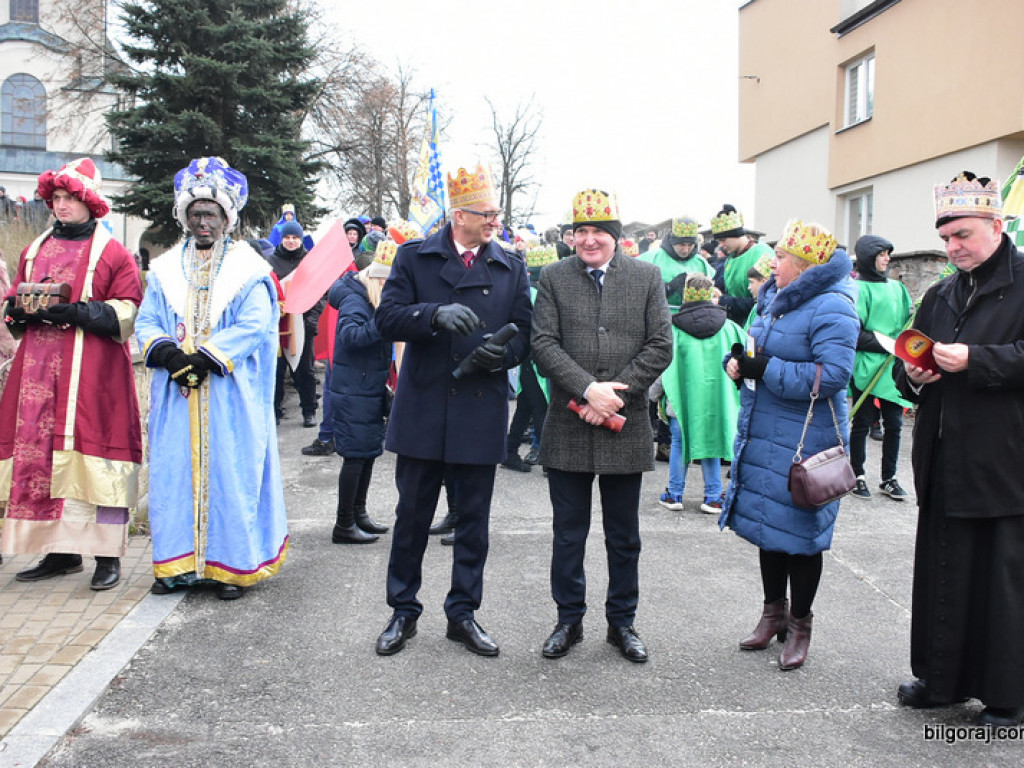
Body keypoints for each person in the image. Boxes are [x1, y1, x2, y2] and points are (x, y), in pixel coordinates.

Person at [373, 164, 531, 657]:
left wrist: (501, 355)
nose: (495, 223)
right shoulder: (414, 258)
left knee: (474, 525)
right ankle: (403, 611)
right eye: (487, 214)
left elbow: (525, 332)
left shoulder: (511, 264)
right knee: (411, 519)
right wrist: (432, 315)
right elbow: (387, 318)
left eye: (497, 214)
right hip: (424, 408)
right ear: (458, 215)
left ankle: (463, 614)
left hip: (479, 412)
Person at [894, 172, 1024, 727]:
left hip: (1005, 461)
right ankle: (940, 680)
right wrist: (914, 378)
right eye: (946, 239)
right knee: (943, 570)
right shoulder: (941, 292)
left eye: (963, 236)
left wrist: (978, 361)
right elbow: (910, 365)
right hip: (944, 457)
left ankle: (1007, 695)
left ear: (997, 226)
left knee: (1001, 581)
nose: (952, 248)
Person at [136, 156, 288, 601]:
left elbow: (256, 324)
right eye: (195, 213)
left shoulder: (248, 269)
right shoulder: (164, 270)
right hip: (177, 395)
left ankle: (230, 568)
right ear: (185, 216)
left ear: (226, 217)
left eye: (211, 214)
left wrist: (206, 358)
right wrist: (166, 353)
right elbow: (147, 321)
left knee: (229, 474)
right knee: (173, 476)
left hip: (227, 395)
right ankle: (176, 567)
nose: (202, 221)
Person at [531, 188, 672, 663]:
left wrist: (613, 396)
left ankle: (622, 623)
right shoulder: (553, 277)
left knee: (623, 535)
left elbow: (660, 345)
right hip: (568, 425)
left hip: (623, 423)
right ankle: (568, 621)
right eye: (581, 232)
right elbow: (544, 344)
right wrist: (587, 389)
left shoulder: (647, 277)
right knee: (567, 533)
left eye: (599, 232)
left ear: (615, 236)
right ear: (572, 237)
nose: (589, 240)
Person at [0, 158, 143, 590]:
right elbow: (14, 302)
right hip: (38, 378)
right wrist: (14, 310)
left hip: (93, 376)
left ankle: (106, 556)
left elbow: (128, 311)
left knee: (95, 456)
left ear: (89, 202)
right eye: (55, 199)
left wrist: (78, 312)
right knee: (43, 460)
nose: (60, 206)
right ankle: (60, 553)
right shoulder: (35, 248)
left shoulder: (114, 253)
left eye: (69, 198)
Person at [722, 219, 858, 671]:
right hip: (766, 431)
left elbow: (833, 375)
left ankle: (799, 624)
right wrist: (738, 362)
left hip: (806, 441)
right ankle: (771, 613)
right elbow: (758, 350)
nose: (771, 263)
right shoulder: (775, 302)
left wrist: (767, 370)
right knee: (768, 529)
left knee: (801, 538)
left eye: (780, 257)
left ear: (802, 265)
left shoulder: (833, 307)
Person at [652, 273, 743, 514]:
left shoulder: (672, 329)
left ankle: (674, 494)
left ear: (685, 295)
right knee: (711, 445)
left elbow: (661, 365)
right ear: (711, 295)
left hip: (680, 402)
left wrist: (652, 394)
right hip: (716, 402)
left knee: (679, 443)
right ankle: (713, 497)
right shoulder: (730, 328)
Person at [328, 239, 395, 544]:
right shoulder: (356, 301)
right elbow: (351, 337)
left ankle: (359, 514)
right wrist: (383, 323)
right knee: (355, 457)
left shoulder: (366, 298)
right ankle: (344, 524)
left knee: (367, 453)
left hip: (365, 387)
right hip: (354, 389)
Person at [848, 234, 912, 501]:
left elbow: (908, 325)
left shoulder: (898, 289)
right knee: (862, 422)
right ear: (867, 257)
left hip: (892, 367)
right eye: (882, 253)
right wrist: (889, 344)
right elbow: (855, 332)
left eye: (889, 254)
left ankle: (889, 478)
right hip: (865, 364)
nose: (887, 259)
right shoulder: (856, 289)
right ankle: (856, 474)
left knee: (895, 424)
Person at [267, 219, 324, 428]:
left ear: (301, 239)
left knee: (304, 370)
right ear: (282, 239)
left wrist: (312, 318)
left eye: (295, 238)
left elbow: (320, 293)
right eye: (287, 238)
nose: (291, 241)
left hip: (303, 323)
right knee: (276, 370)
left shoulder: (310, 262)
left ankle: (309, 411)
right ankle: (273, 410)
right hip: (277, 325)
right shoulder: (270, 262)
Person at [710, 204, 773, 325]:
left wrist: (724, 301)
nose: (721, 245)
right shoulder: (730, 259)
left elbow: (764, 300)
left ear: (736, 235)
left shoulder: (762, 254)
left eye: (723, 241)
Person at [640, 216, 715, 306]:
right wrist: (669, 287)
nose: (686, 250)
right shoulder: (651, 258)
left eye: (690, 245)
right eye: (681, 244)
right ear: (672, 242)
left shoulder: (701, 262)